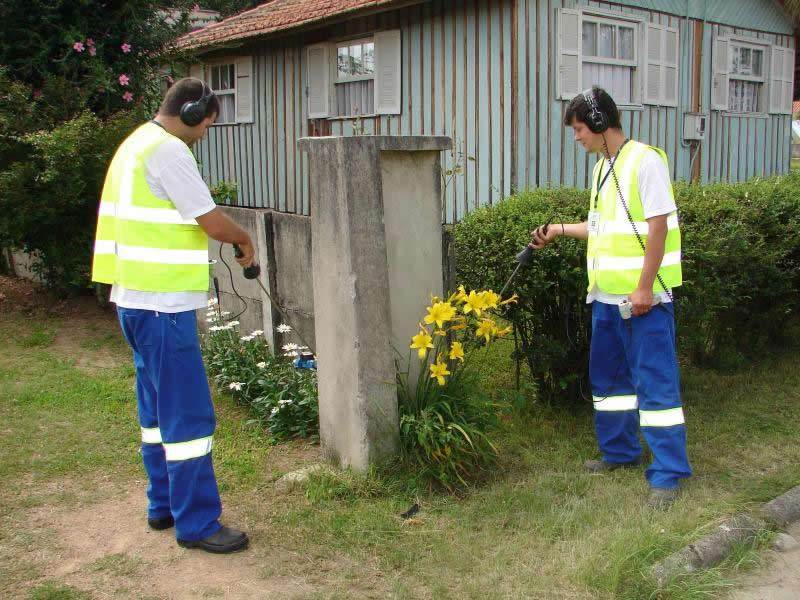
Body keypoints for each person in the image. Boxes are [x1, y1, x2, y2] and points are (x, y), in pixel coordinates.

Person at [91, 78, 256, 551]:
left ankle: (162, 505)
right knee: (186, 417)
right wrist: (243, 238)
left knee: (156, 414)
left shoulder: (134, 144)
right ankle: (198, 524)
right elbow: (208, 219)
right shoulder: (168, 151)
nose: (206, 131)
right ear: (190, 112)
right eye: (206, 122)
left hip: (133, 302)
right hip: (164, 308)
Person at [530, 86, 692, 509]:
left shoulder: (646, 162)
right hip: (605, 299)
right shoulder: (603, 167)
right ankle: (620, 453)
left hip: (644, 301)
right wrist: (558, 231)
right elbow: (599, 226)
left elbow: (658, 227)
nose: (577, 137)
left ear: (600, 125)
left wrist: (644, 286)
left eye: (580, 129)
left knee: (654, 385)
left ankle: (669, 473)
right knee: (611, 383)